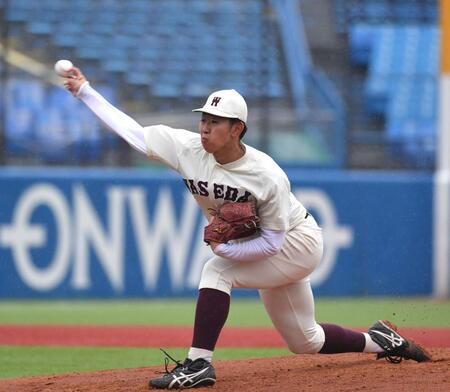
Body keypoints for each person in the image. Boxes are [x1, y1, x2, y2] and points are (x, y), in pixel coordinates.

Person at [62, 66, 431, 390]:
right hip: (264, 246)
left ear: (237, 129)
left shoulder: (265, 174)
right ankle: (381, 340)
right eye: (204, 119)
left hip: (297, 243)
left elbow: (272, 242)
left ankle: (198, 363)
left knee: (216, 270)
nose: (205, 128)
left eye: (215, 122)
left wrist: (226, 250)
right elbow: (133, 132)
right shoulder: (187, 148)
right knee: (305, 340)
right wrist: (86, 92)